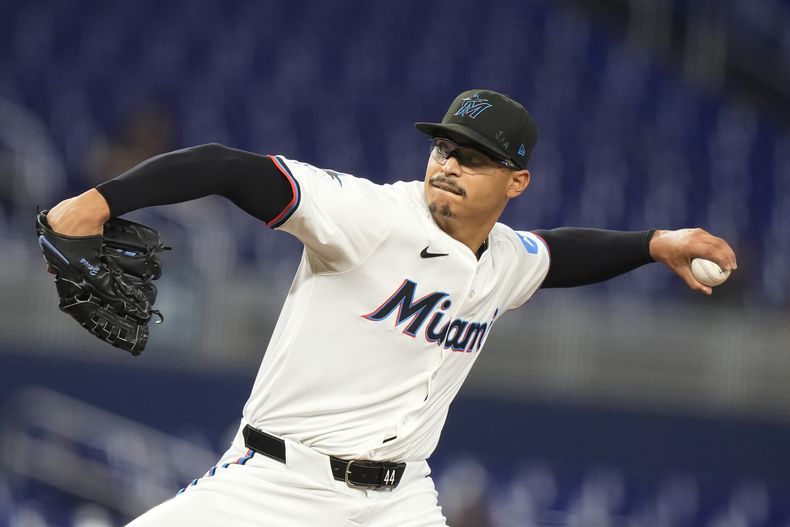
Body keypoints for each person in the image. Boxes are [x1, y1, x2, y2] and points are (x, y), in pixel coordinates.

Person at [44, 89, 736, 526]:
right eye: (445, 148)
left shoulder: (504, 261)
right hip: (277, 485)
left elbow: (560, 255)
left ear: (516, 180)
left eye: (474, 157)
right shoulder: (370, 214)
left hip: (399, 501)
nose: (449, 165)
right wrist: (99, 202)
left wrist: (655, 242)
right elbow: (230, 168)